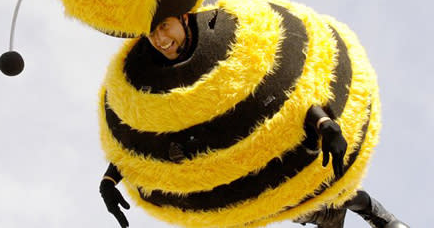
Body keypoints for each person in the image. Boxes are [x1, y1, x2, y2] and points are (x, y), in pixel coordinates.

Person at [99, 15, 409, 228]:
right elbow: (143, 133)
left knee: (324, 190)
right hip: (228, 163)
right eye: (152, 32)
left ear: (182, 18)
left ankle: (372, 211)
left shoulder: (225, 41)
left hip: (268, 141)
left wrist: (325, 124)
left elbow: (283, 88)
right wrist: (111, 179)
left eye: (163, 27)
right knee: (303, 207)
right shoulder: (151, 78)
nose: (160, 39)